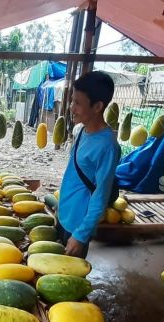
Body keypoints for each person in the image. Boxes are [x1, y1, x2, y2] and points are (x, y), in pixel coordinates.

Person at [57, 71, 120, 259]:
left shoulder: (107, 146)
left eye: (77, 103)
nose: (71, 107)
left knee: (68, 281)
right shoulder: (82, 130)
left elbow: (101, 196)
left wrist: (80, 235)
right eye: (72, 101)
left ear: (98, 106)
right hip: (64, 214)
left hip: (78, 225)